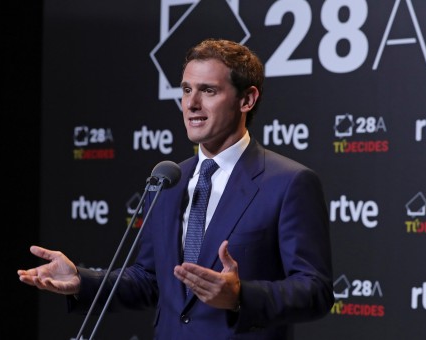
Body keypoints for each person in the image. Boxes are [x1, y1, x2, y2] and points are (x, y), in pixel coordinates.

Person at [18, 38, 334, 339]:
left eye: (208, 90)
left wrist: (240, 296)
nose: (192, 104)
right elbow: (150, 279)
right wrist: (81, 281)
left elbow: (315, 291)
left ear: (247, 99)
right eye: (186, 90)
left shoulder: (288, 182)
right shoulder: (169, 179)